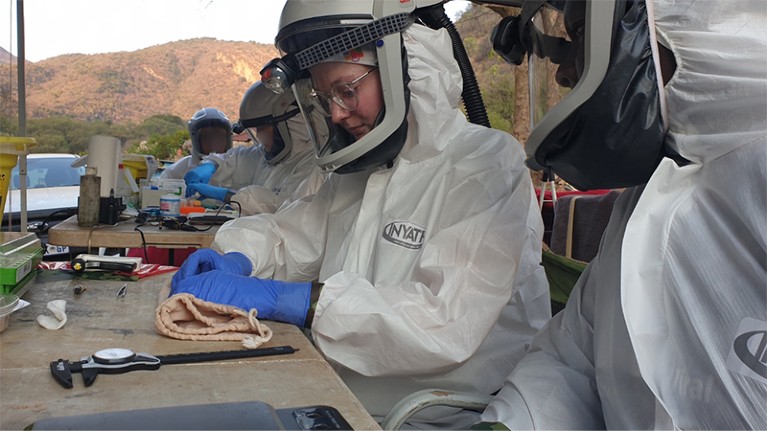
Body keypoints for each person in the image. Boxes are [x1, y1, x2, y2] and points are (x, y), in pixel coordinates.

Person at [170, 1, 552, 427]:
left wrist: (297, 302)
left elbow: (442, 322)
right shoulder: (363, 171)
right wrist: (237, 255)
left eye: (346, 90)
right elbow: (293, 237)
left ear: (401, 64)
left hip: (431, 416)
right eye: (323, 97)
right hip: (339, 392)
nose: (335, 113)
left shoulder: (484, 163)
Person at [477, 0, 766, 428]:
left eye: (582, 39)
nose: (563, 71)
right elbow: (571, 359)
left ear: (680, 23)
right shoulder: (643, 201)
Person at [181, 81, 325, 216]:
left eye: (262, 129)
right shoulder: (270, 156)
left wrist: (230, 196)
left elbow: (283, 209)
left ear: (289, 124)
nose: (260, 136)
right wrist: (210, 165)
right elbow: (234, 160)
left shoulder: (316, 166)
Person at [160, 107, 232, 179]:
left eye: (219, 135)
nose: (214, 141)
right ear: (196, 140)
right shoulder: (176, 172)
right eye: (207, 136)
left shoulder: (237, 170)